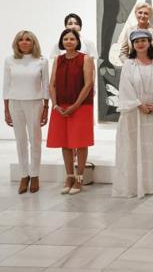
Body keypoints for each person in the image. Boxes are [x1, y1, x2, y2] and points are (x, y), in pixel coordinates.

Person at [112, 30, 153, 198]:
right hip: (134, 115)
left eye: (144, 40)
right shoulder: (129, 65)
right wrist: (138, 105)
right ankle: (133, 184)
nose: (140, 44)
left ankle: (149, 183)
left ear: (149, 42)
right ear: (133, 45)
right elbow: (126, 87)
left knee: (151, 147)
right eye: (137, 41)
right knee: (133, 148)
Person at [47, 29, 95, 195]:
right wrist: (55, 104)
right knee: (65, 142)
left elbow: (88, 84)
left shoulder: (85, 59)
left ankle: (80, 177)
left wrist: (75, 105)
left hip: (81, 106)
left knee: (80, 142)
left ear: (77, 41)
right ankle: (69, 176)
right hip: (61, 106)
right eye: (65, 39)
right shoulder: (57, 60)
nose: (69, 41)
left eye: (72, 39)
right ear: (62, 41)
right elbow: (51, 84)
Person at [3, 31, 49, 194]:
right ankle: (24, 175)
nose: (24, 42)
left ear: (33, 42)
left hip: (35, 103)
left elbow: (45, 86)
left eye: (27, 39)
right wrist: (6, 109)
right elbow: (6, 85)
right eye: (21, 40)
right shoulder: (10, 60)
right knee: (20, 140)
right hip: (15, 103)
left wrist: (46, 108)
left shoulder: (41, 61)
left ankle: (35, 174)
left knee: (34, 140)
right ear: (17, 43)